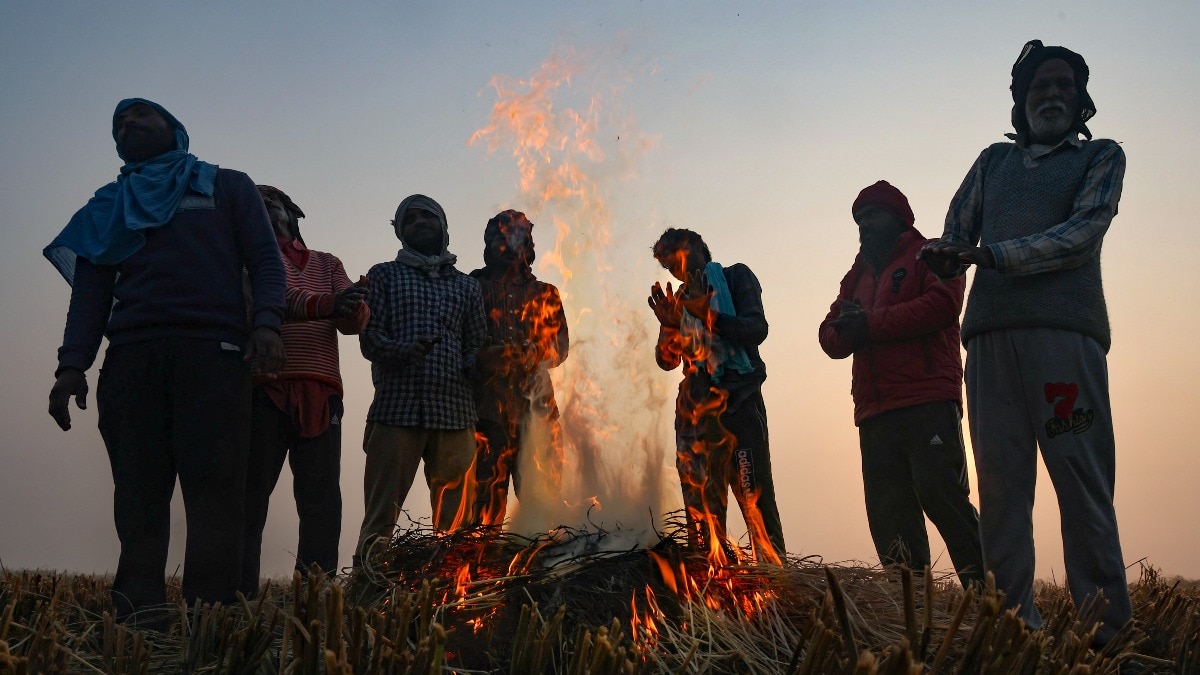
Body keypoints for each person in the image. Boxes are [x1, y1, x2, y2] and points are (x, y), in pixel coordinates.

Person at [920, 40, 1132, 643]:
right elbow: (956, 229)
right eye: (1041, 87)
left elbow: (1082, 234)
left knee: (1083, 485)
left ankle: (1106, 635)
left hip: (1065, 339)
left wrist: (991, 255)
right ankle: (1012, 632)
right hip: (989, 343)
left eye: (1065, 86)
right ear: (1020, 100)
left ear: (1082, 99)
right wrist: (943, 255)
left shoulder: (1102, 158)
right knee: (1001, 493)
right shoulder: (991, 163)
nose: (1053, 96)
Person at [44, 99, 285, 625]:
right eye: (118, 124)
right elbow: (89, 295)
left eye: (140, 115)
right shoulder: (108, 205)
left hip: (215, 356)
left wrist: (267, 323)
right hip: (131, 360)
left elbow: (266, 260)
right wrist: (70, 366)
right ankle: (139, 611)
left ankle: (211, 617)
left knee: (216, 494)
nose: (128, 124)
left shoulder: (225, 185)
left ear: (175, 129)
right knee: (137, 493)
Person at [819, 181, 984, 588]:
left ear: (898, 217)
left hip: (926, 399)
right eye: (859, 219)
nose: (863, 225)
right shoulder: (855, 276)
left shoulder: (930, 255)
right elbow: (828, 333)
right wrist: (845, 332)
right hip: (874, 411)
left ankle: (990, 598)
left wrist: (869, 325)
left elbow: (944, 306)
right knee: (889, 514)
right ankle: (911, 610)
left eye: (872, 215)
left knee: (942, 497)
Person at [240, 185, 370, 595]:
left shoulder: (327, 262)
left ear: (292, 214)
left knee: (321, 498)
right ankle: (238, 591)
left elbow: (352, 322)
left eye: (272, 201)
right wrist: (332, 304)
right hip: (264, 387)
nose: (266, 207)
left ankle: (314, 594)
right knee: (250, 495)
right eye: (256, 203)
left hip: (321, 389)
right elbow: (275, 297)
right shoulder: (247, 258)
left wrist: (356, 303)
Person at [355, 194, 487, 564]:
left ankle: (450, 605)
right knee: (380, 520)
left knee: (457, 528)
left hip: (456, 414)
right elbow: (370, 337)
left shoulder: (467, 286)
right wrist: (404, 351)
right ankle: (366, 599)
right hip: (396, 410)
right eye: (409, 220)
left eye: (427, 216)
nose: (419, 224)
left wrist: (489, 361)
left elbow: (475, 346)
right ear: (400, 233)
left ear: (443, 226)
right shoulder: (382, 275)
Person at [647, 228, 785, 564]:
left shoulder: (736, 276)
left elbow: (757, 328)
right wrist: (668, 325)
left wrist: (708, 315)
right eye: (666, 266)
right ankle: (713, 586)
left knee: (755, 498)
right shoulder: (678, 300)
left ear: (694, 246)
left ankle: (779, 581)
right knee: (702, 510)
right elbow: (667, 362)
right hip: (696, 414)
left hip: (739, 401)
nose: (673, 268)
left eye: (674, 256)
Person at [469, 210, 569, 525]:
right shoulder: (472, 286)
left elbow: (560, 348)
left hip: (538, 414)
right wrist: (489, 355)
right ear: (489, 244)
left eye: (518, 235)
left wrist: (532, 352)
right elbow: (459, 342)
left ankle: (539, 571)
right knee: (482, 518)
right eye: (502, 235)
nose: (510, 242)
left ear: (529, 243)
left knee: (544, 512)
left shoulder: (546, 293)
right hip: (485, 415)